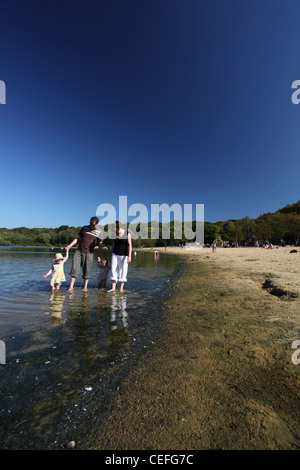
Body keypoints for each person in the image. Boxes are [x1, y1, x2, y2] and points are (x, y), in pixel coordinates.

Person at [66, 217, 102, 292]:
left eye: (93, 225)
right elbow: (77, 238)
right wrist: (69, 246)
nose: (91, 226)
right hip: (79, 251)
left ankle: (85, 287)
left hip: (89, 253)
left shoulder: (100, 232)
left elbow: (100, 245)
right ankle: (71, 287)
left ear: (97, 224)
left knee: (87, 271)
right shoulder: (84, 228)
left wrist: (99, 255)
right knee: (74, 269)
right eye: (90, 224)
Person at [108, 221, 132, 292]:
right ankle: (113, 288)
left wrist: (130, 256)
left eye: (114, 228)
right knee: (113, 270)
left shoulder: (127, 233)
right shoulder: (114, 234)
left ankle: (121, 288)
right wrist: (110, 255)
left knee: (123, 270)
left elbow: (130, 245)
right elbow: (113, 245)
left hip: (124, 255)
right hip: (115, 254)